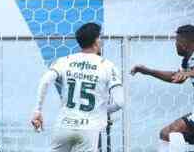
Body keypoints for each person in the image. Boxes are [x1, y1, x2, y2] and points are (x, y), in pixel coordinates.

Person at [30, 23, 124, 152]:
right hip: (89, 129)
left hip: (64, 125)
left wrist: (37, 110)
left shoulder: (65, 60)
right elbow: (119, 102)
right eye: (100, 38)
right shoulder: (108, 66)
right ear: (96, 41)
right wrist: (101, 110)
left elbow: (45, 80)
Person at [131, 25, 194, 152]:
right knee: (166, 134)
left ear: (184, 44)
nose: (175, 44)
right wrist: (148, 71)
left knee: (172, 132)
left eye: (177, 41)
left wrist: (188, 73)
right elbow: (175, 77)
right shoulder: (188, 60)